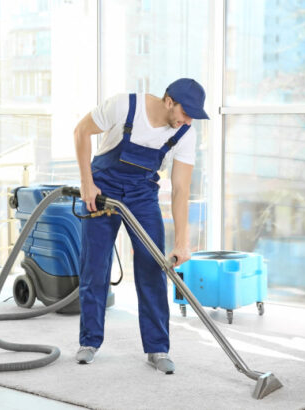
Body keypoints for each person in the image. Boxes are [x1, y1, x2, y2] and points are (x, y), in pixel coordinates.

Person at [73, 78, 209, 374]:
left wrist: (182, 241)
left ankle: (158, 348)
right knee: (95, 266)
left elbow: (181, 190)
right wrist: (87, 183)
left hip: (142, 195)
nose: (188, 121)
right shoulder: (124, 105)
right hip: (103, 189)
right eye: (186, 113)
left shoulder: (185, 132)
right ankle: (89, 342)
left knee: (152, 267)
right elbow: (82, 131)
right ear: (169, 101)